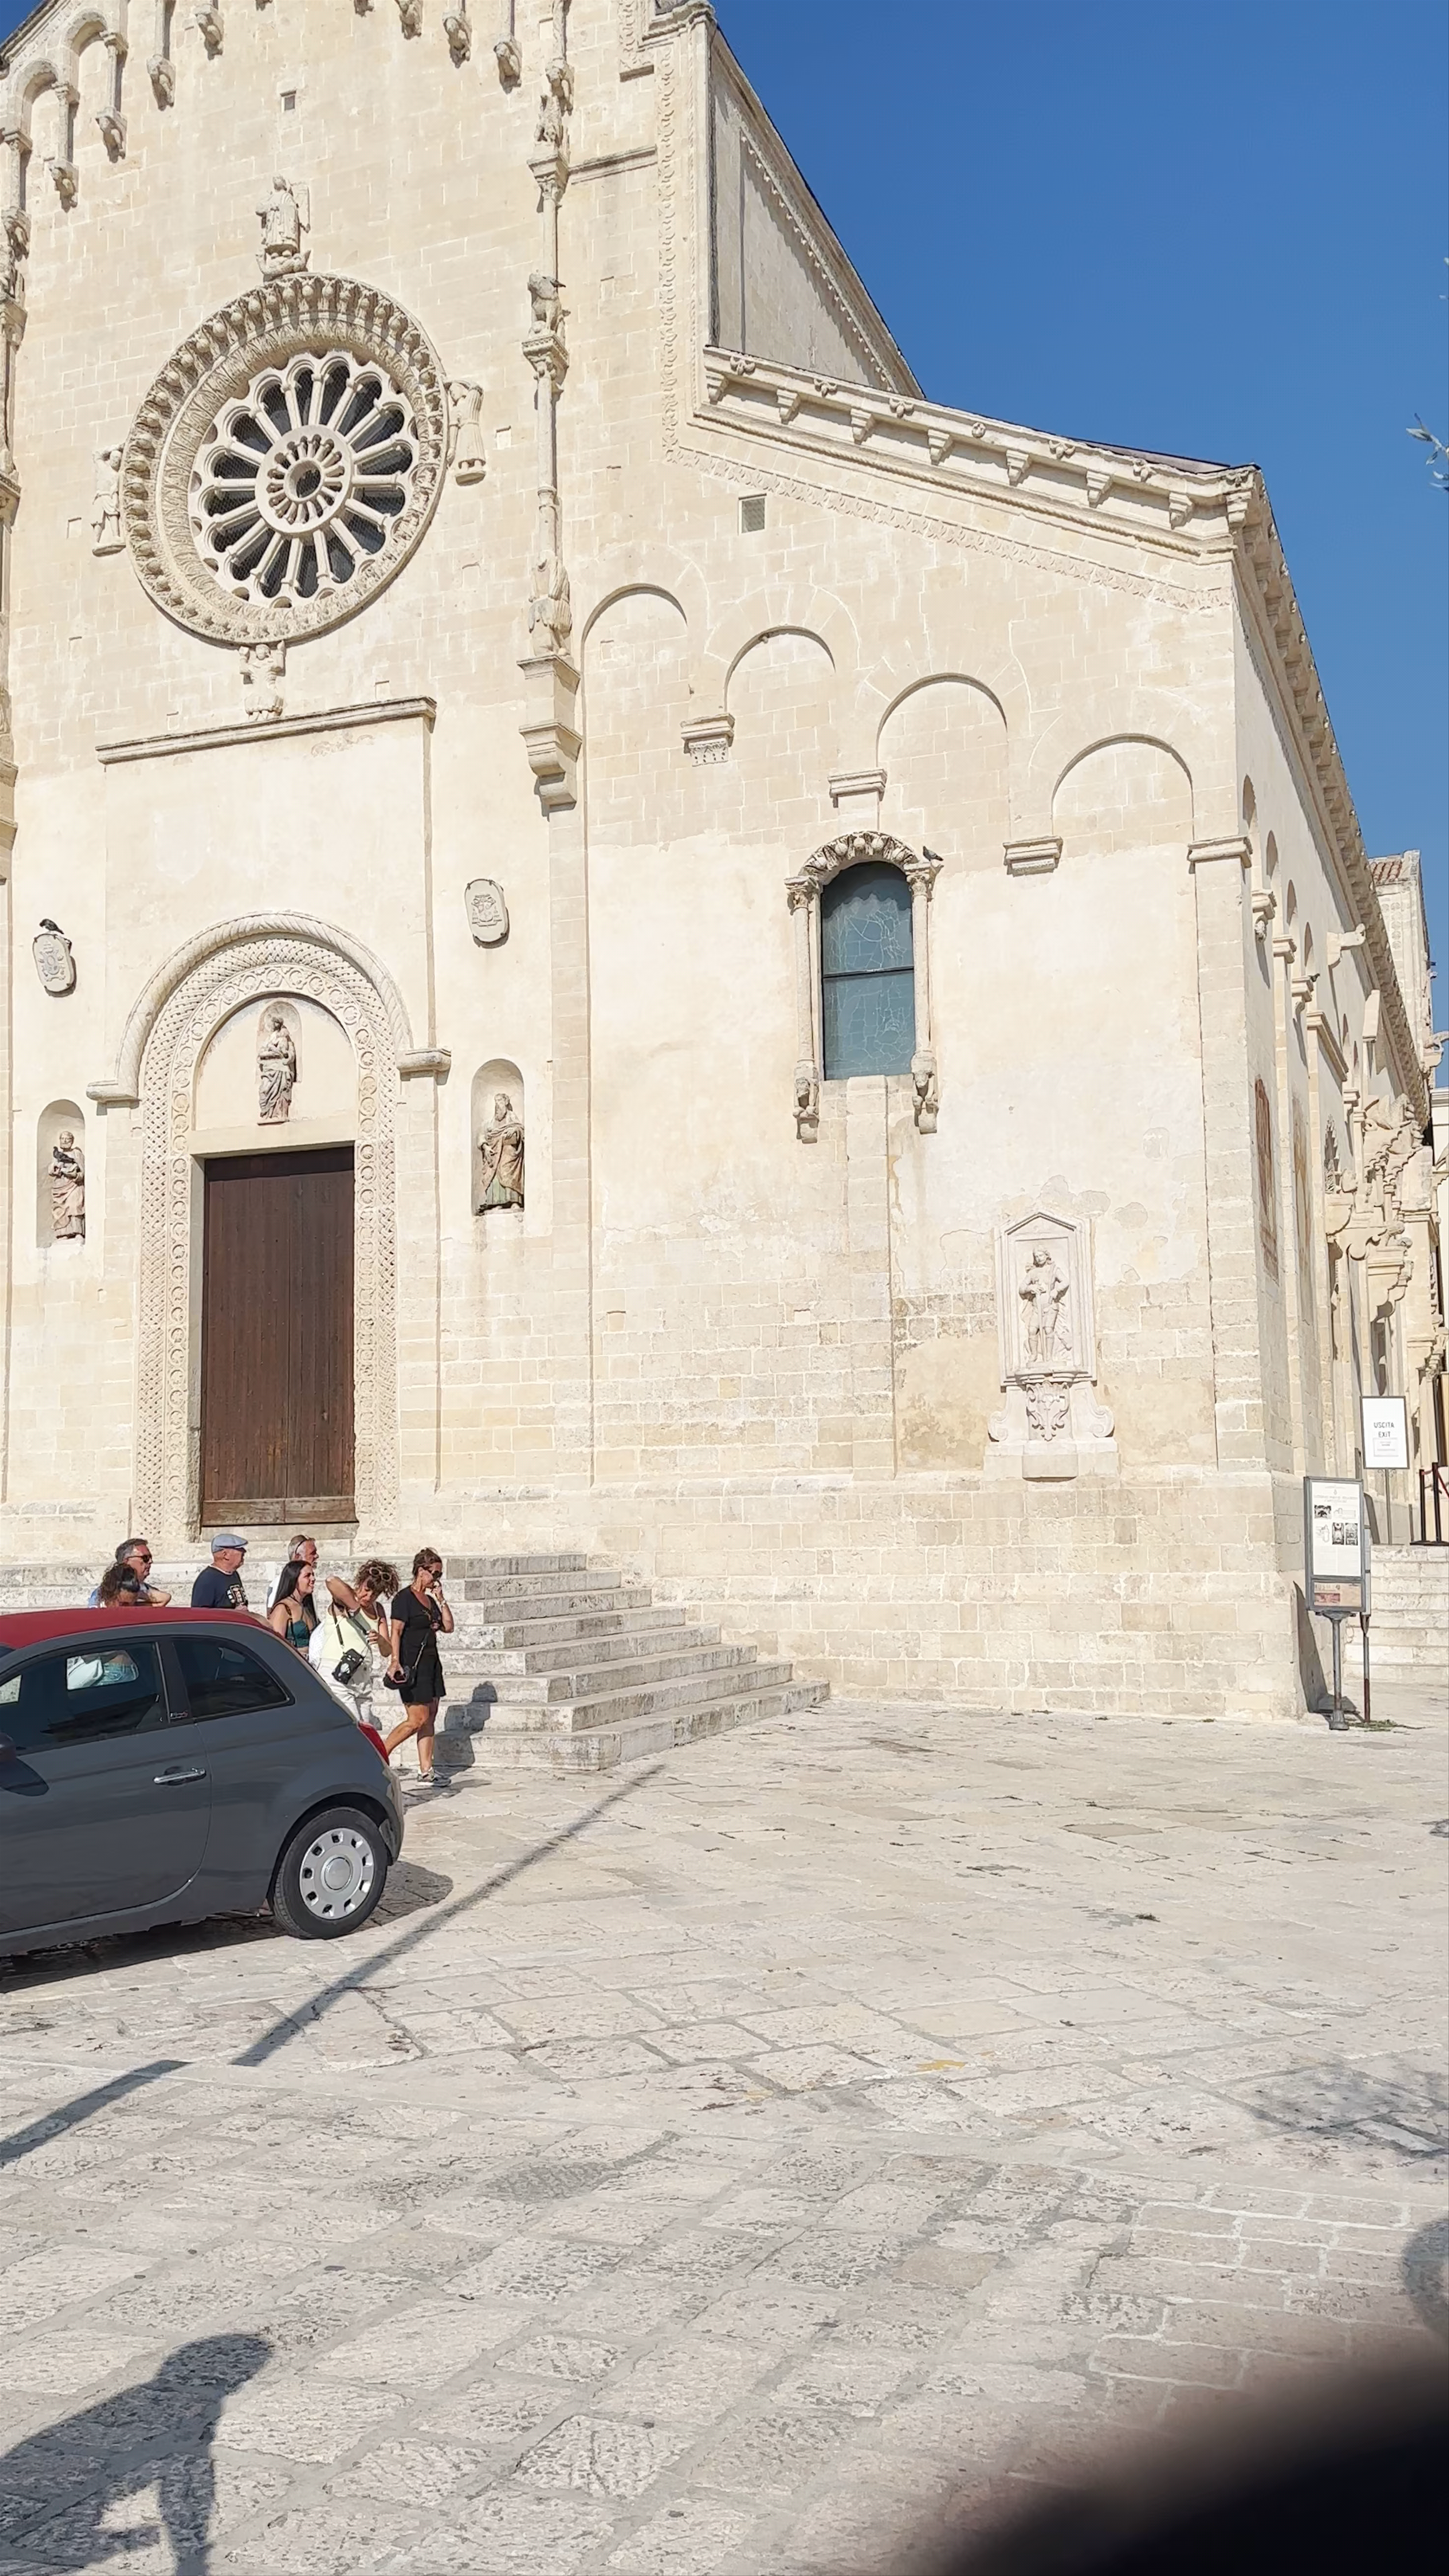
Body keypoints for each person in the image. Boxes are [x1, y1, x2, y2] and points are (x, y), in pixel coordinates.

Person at [384, 1549, 454, 1789]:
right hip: (411, 1666)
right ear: (421, 1571)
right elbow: (396, 1631)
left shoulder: (430, 1601)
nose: (437, 1578)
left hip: (431, 1665)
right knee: (417, 1719)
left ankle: (426, 1770)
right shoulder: (404, 1599)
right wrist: (395, 1661)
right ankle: (380, 1754)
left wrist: (441, 1599)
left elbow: (448, 1627)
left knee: (430, 1717)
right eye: (435, 1573)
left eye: (440, 1574)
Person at [309, 1559, 398, 1727]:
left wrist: (380, 1640)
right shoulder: (345, 1599)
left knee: (365, 1731)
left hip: (362, 1679)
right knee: (354, 1728)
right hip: (338, 1673)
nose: (369, 1597)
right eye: (367, 1590)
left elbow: (387, 1651)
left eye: (375, 1594)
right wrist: (355, 1607)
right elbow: (331, 1581)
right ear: (360, 1582)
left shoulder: (378, 1609)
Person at [88, 1539, 171, 1610]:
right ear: (127, 1561)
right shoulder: (102, 1593)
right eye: (145, 1558)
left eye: (151, 1558)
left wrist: (138, 1594)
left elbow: (165, 1598)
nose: (150, 1562)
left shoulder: (146, 1589)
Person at [267, 1560, 319, 1661]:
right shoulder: (282, 1609)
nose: (313, 1579)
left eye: (313, 1575)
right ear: (294, 1580)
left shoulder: (305, 1607)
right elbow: (275, 1646)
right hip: (292, 1664)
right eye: (307, 1576)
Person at [191, 1534, 248, 1610]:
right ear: (225, 1555)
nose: (244, 1552)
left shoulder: (234, 1575)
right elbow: (200, 1614)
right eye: (239, 1549)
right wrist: (233, 1614)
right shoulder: (207, 1580)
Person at [266, 1535, 317, 1614]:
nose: (317, 1556)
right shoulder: (281, 1582)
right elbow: (273, 1615)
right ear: (298, 1557)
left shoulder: (307, 1585)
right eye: (312, 1553)